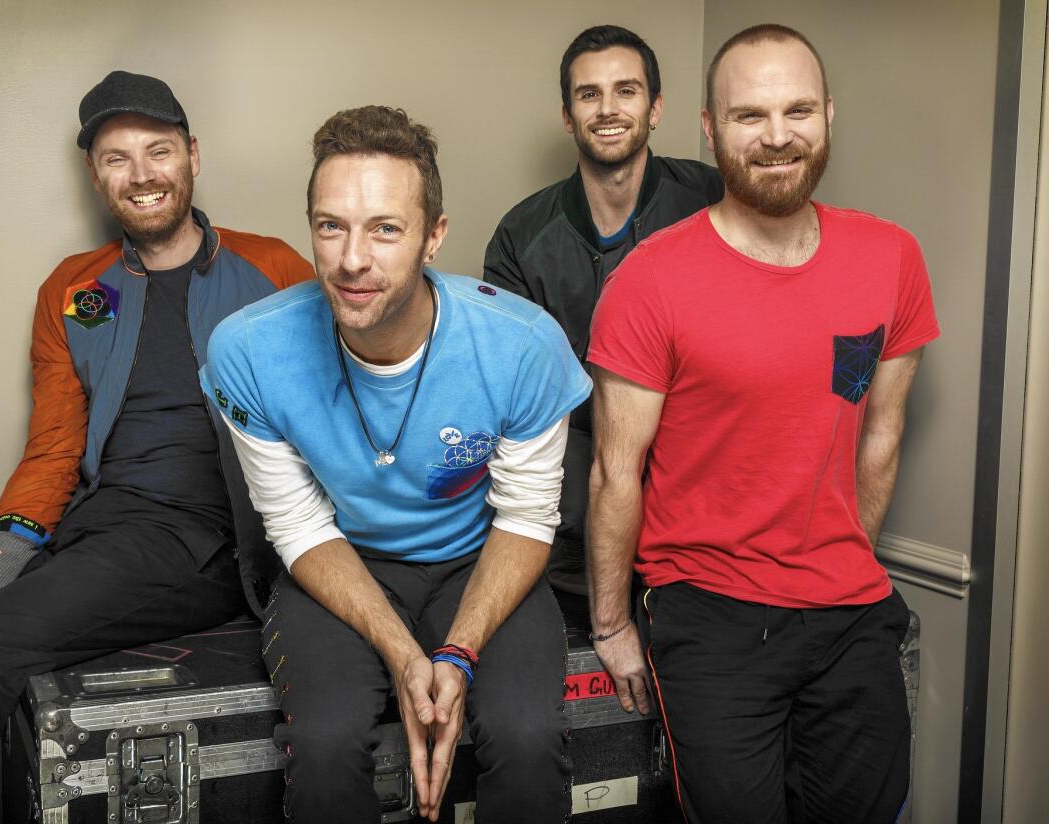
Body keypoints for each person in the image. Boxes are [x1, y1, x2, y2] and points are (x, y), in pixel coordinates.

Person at [0, 70, 313, 823]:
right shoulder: (73, 290)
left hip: (198, 539)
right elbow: (54, 450)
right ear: (96, 176)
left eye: (158, 151)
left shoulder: (275, 270)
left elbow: (332, 414)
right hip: (87, 524)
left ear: (192, 156)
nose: (141, 175)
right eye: (115, 158)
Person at [587, 24, 939, 824]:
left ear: (828, 115)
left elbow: (880, 430)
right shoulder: (651, 280)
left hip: (851, 610)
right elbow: (616, 469)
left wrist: (843, 552)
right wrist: (610, 623)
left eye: (798, 110)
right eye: (749, 116)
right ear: (710, 131)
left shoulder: (891, 259)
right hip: (708, 610)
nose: (778, 136)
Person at [202, 105, 591, 823]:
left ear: (433, 236)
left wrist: (459, 654)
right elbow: (295, 523)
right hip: (340, 560)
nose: (352, 259)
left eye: (385, 228)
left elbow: (528, 516)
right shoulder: (246, 351)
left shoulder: (523, 345)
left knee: (527, 739)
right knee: (321, 747)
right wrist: (405, 655)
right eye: (331, 225)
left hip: (483, 559)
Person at [483, 25, 723, 595]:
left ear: (656, 106)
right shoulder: (521, 235)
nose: (608, 109)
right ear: (568, 115)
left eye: (626, 91)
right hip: (572, 508)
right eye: (589, 94)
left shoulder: (714, 201)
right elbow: (517, 400)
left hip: (703, 494)